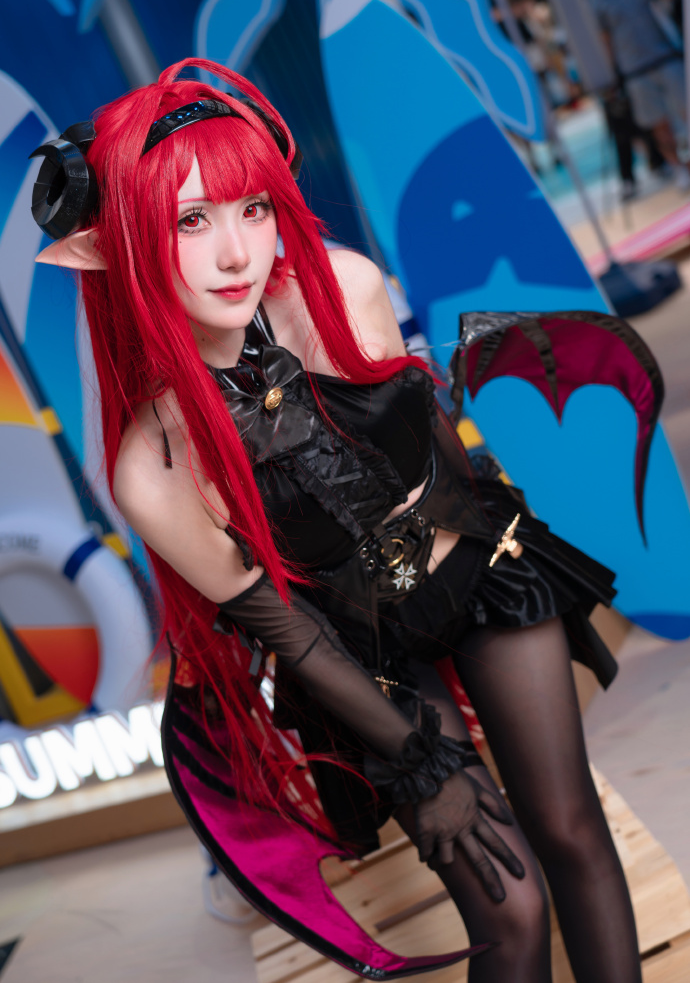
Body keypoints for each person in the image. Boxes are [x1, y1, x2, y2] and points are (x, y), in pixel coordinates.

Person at [29, 58, 660, 983]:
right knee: (512, 905)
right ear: (113, 244)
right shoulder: (150, 468)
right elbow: (291, 630)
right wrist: (417, 760)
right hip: (358, 655)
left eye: (253, 208)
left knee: (569, 829)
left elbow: (440, 457)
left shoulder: (342, 287)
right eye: (190, 221)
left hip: (474, 569)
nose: (237, 254)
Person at [578, 0, 690, 192]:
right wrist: (610, 76)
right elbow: (605, 40)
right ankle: (679, 169)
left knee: (685, 115)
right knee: (658, 126)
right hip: (634, 70)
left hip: (666, 57)